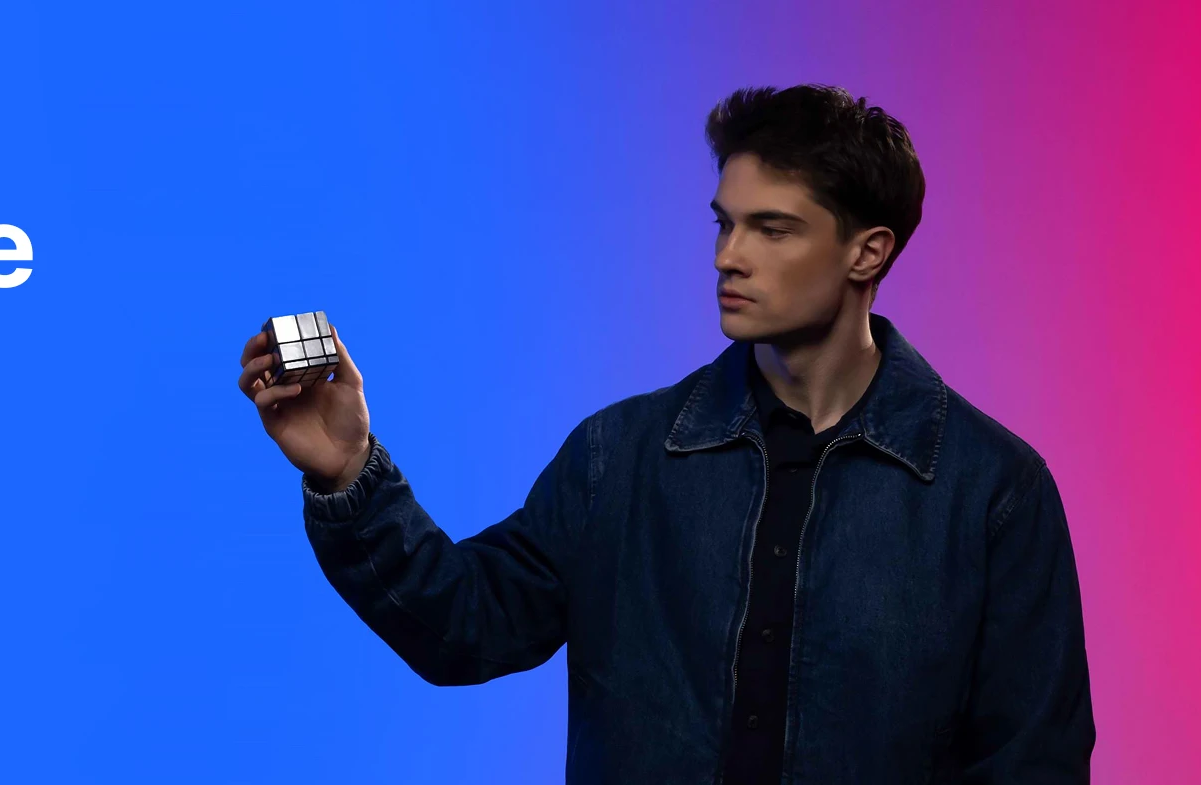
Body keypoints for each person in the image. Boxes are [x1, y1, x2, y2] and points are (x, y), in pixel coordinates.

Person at [235, 85, 1094, 783]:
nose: (728, 255)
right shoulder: (622, 455)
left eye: (772, 228)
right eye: (725, 221)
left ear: (867, 252)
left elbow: (1034, 764)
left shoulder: (993, 491)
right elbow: (466, 625)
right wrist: (350, 471)